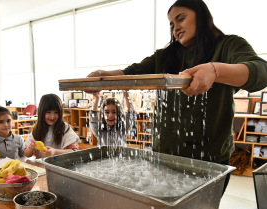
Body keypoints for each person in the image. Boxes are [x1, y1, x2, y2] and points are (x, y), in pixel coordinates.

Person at [87, 0, 267, 193]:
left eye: (181, 19)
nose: (176, 28)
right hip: (163, 156)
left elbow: (260, 72)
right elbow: (133, 72)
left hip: (209, 160)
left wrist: (215, 70)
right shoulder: (165, 56)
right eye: (171, 25)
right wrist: (102, 75)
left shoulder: (227, 46)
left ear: (202, 16)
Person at [25, 94, 79, 158]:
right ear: (41, 112)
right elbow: (27, 154)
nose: (52, 116)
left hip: (60, 165)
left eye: (56, 112)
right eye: (48, 112)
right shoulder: (37, 129)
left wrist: (55, 152)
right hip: (41, 166)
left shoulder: (65, 128)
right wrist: (30, 148)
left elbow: (74, 151)